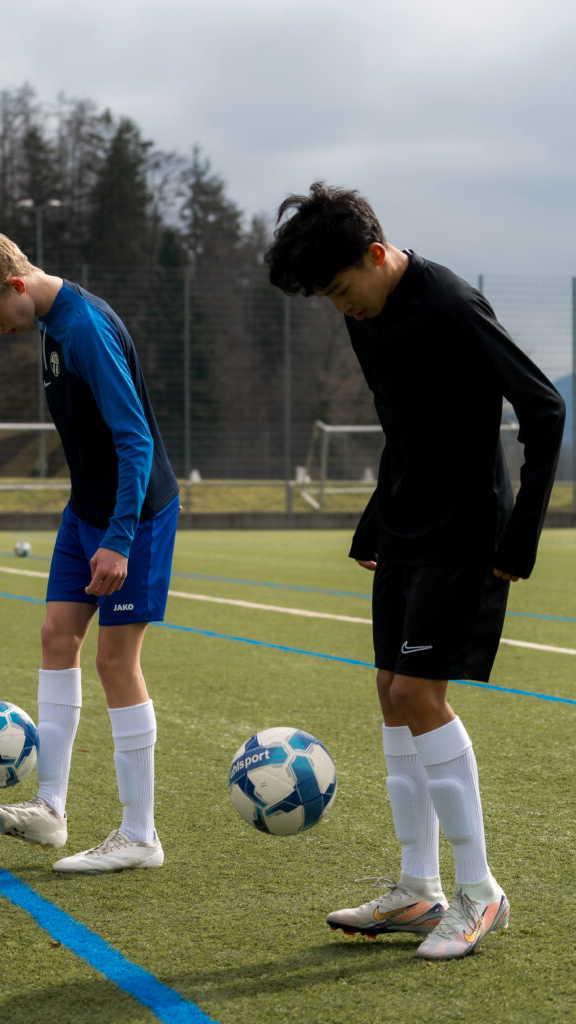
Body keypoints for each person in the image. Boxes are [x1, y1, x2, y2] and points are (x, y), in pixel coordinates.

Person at [264, 183, 565, 960]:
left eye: (341, 289)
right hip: (405, 525)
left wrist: (522, 530)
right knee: (387, 691)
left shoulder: (452, 306)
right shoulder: (367, 317)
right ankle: (415, 889)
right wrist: (375, 515)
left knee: (415, 693)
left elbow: (543, 408)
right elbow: (407, 426)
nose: (342, 309)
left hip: (464, 530)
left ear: (375, 255)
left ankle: (479, 891)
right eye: (326, 299)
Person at [0, 231, 180, 874]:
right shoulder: (48, 324)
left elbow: (136, 442)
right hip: (85, 513)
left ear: (17, 285)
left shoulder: (83, 329)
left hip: (136, 515)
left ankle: (140, 835)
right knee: (55, 636)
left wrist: (119, 540)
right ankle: (50, 808)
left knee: (114, 661)